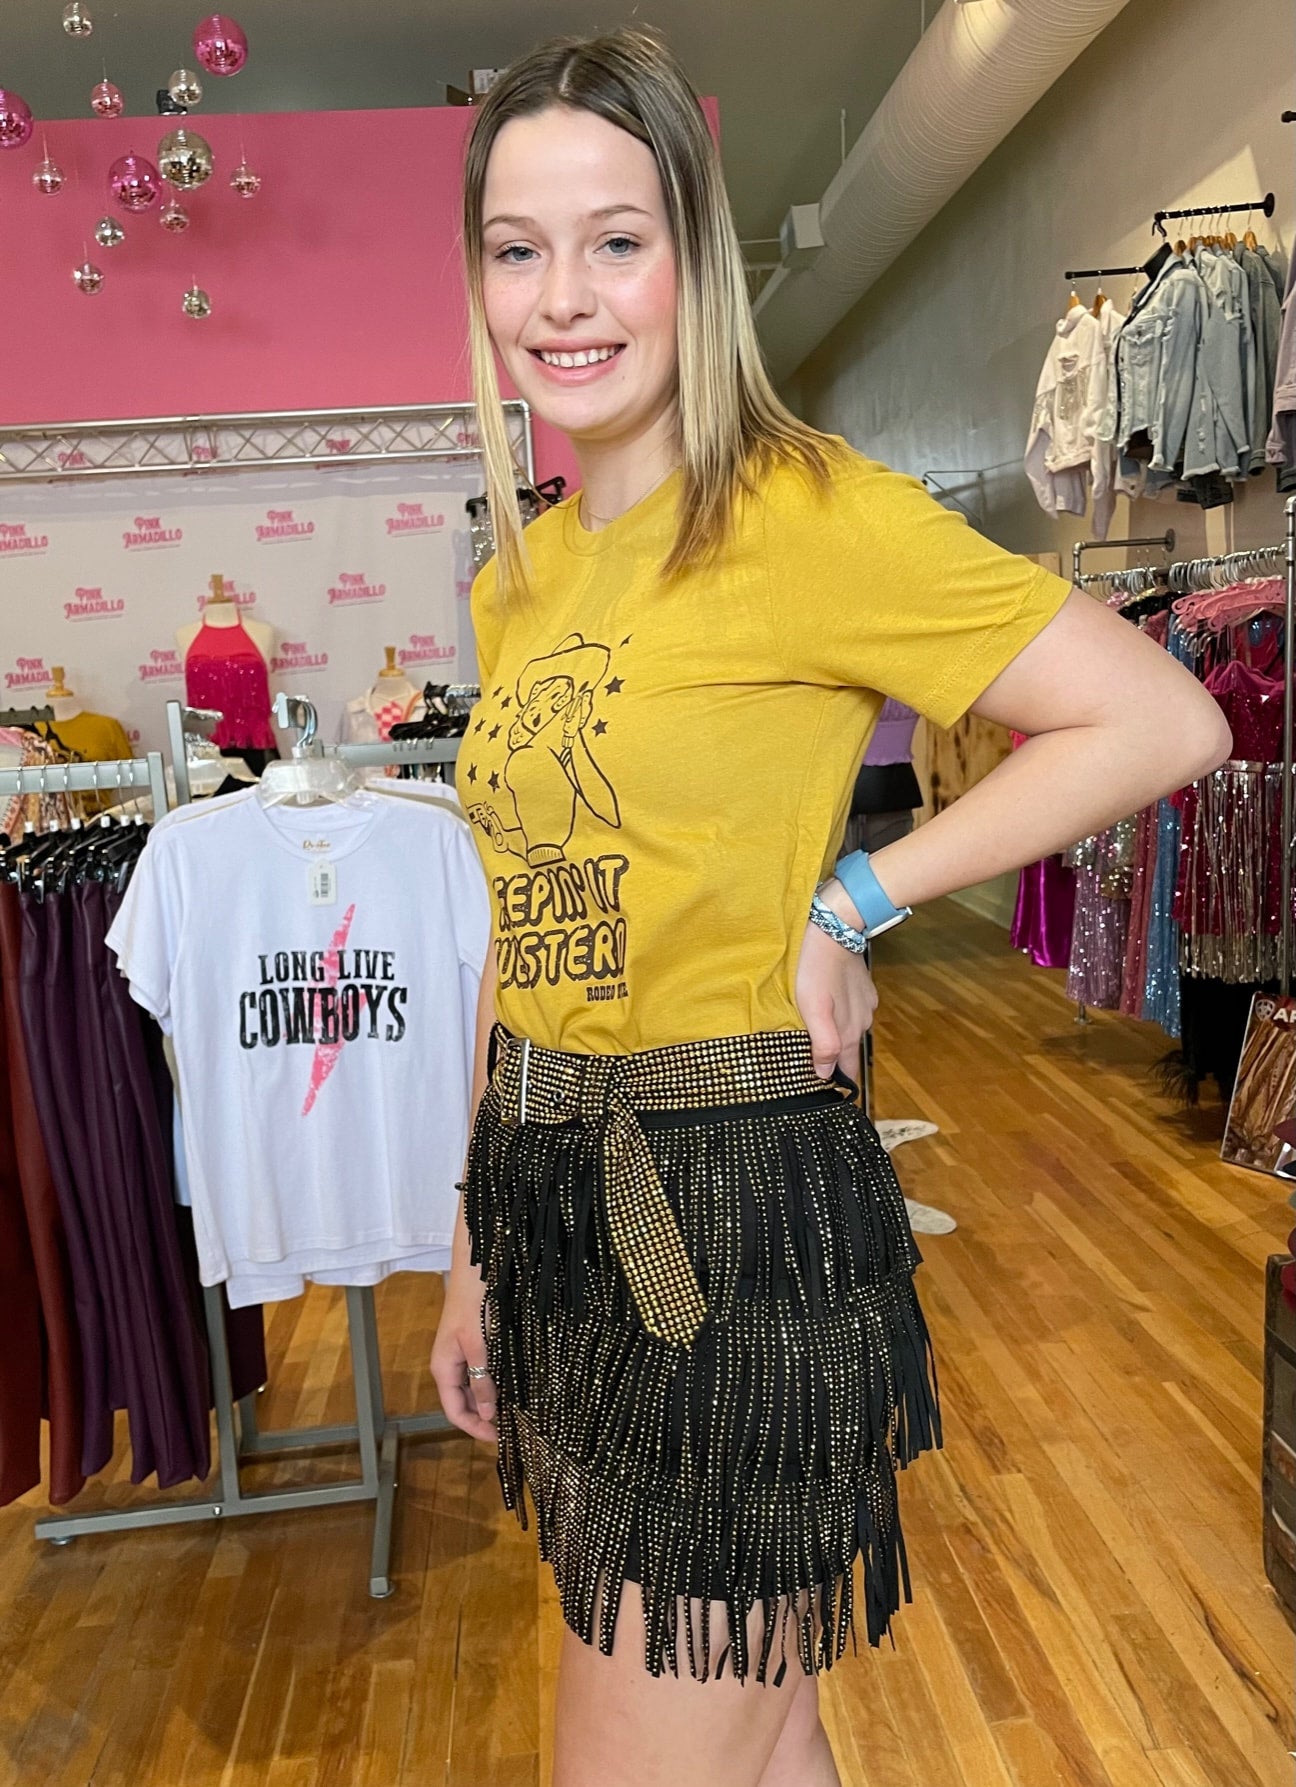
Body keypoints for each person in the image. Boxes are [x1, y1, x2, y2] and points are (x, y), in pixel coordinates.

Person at [430, 28, 1231, 1787]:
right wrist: (473, 1245)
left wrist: (855, 896)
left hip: (726, 1226)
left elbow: (1161, 715)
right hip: (553, 1199)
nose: (564, 296)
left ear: (693, 262)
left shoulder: (798, 511)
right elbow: (528, 920)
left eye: (616, 239)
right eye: (517, 247)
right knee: (762, 1736)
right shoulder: (524, 575)